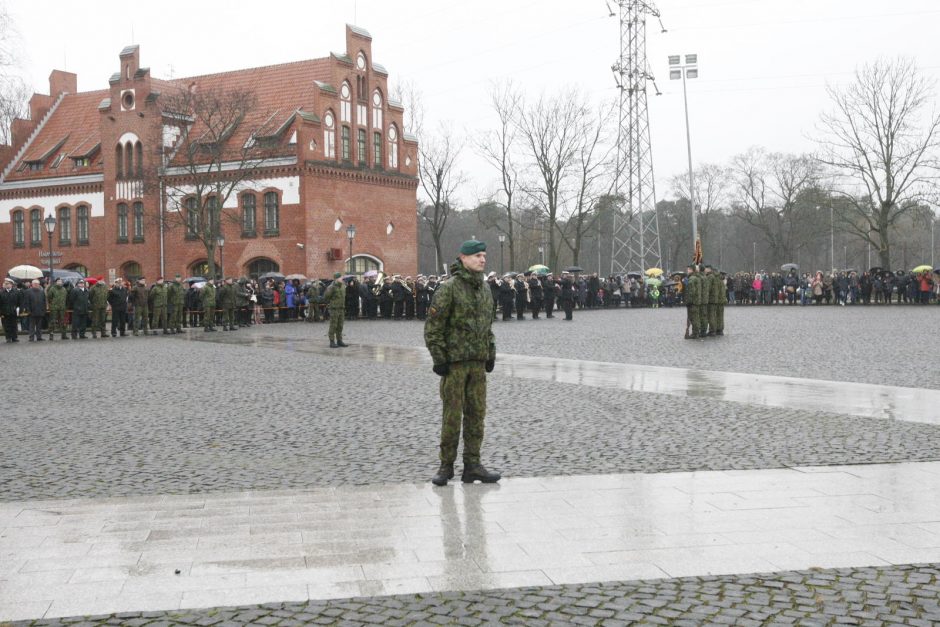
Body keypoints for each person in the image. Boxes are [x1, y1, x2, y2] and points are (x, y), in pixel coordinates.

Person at [424, 239, 500, 486]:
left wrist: (490, 353)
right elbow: (433, 328)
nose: (482, 259)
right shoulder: (449, 288)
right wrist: (439, 359)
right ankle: (446, 466)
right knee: (452, 417)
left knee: (477, 415)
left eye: (484, 255)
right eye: (477, 255)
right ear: (463, 258)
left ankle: (473, 465)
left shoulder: (486, 289)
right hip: (455, 365)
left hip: (477, 364)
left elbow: (487, 327)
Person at [325, 272, 347, 347]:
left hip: (341, 308)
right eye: (341, 278)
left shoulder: (343, 286)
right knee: (333, 325)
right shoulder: (331, 287)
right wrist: (332, 303)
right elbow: (326, 297)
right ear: (336, 279)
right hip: (334, 308)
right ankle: (332, 341)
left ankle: (339, 340)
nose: (342, 279)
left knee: (340, 325)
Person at [0, 277, 21, 342]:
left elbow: (19, 301)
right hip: (4, 312)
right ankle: (8, 338)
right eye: (5, 283)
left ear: (11, 284)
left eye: (7, 283)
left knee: (14, 325)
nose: (6, 285)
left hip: (13, 311)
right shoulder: (1, 292)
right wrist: (1, 312)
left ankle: (14, 337)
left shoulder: (16, 292)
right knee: (6, 325)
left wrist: (18, 308)